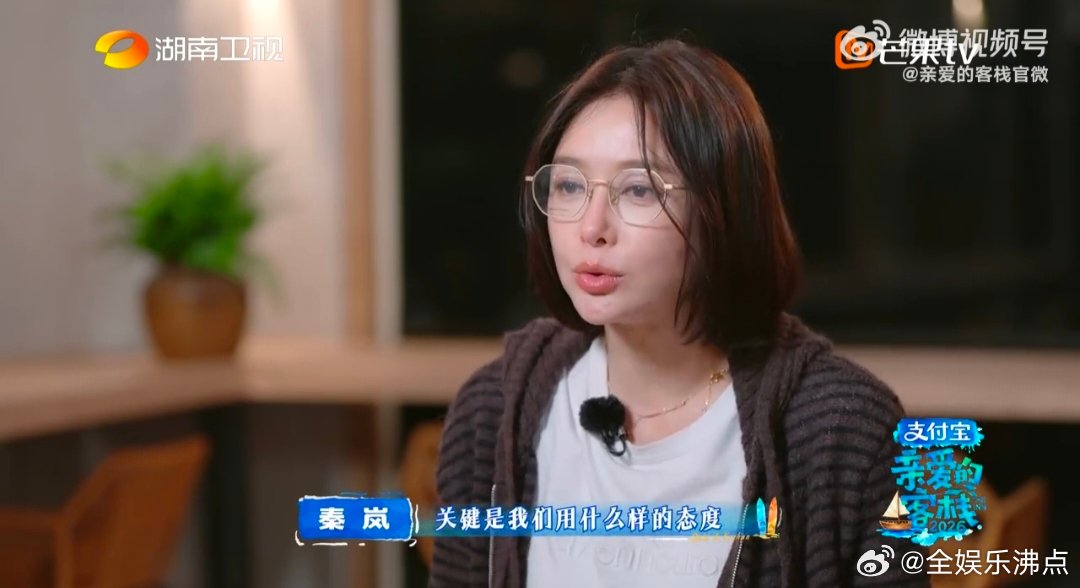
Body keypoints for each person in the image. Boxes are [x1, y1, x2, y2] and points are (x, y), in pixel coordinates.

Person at [430, 39, 928, 588]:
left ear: (724, 210)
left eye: (638, 190)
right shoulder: (496, 410)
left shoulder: (843, 430)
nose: (591, 227)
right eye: (569, 185)